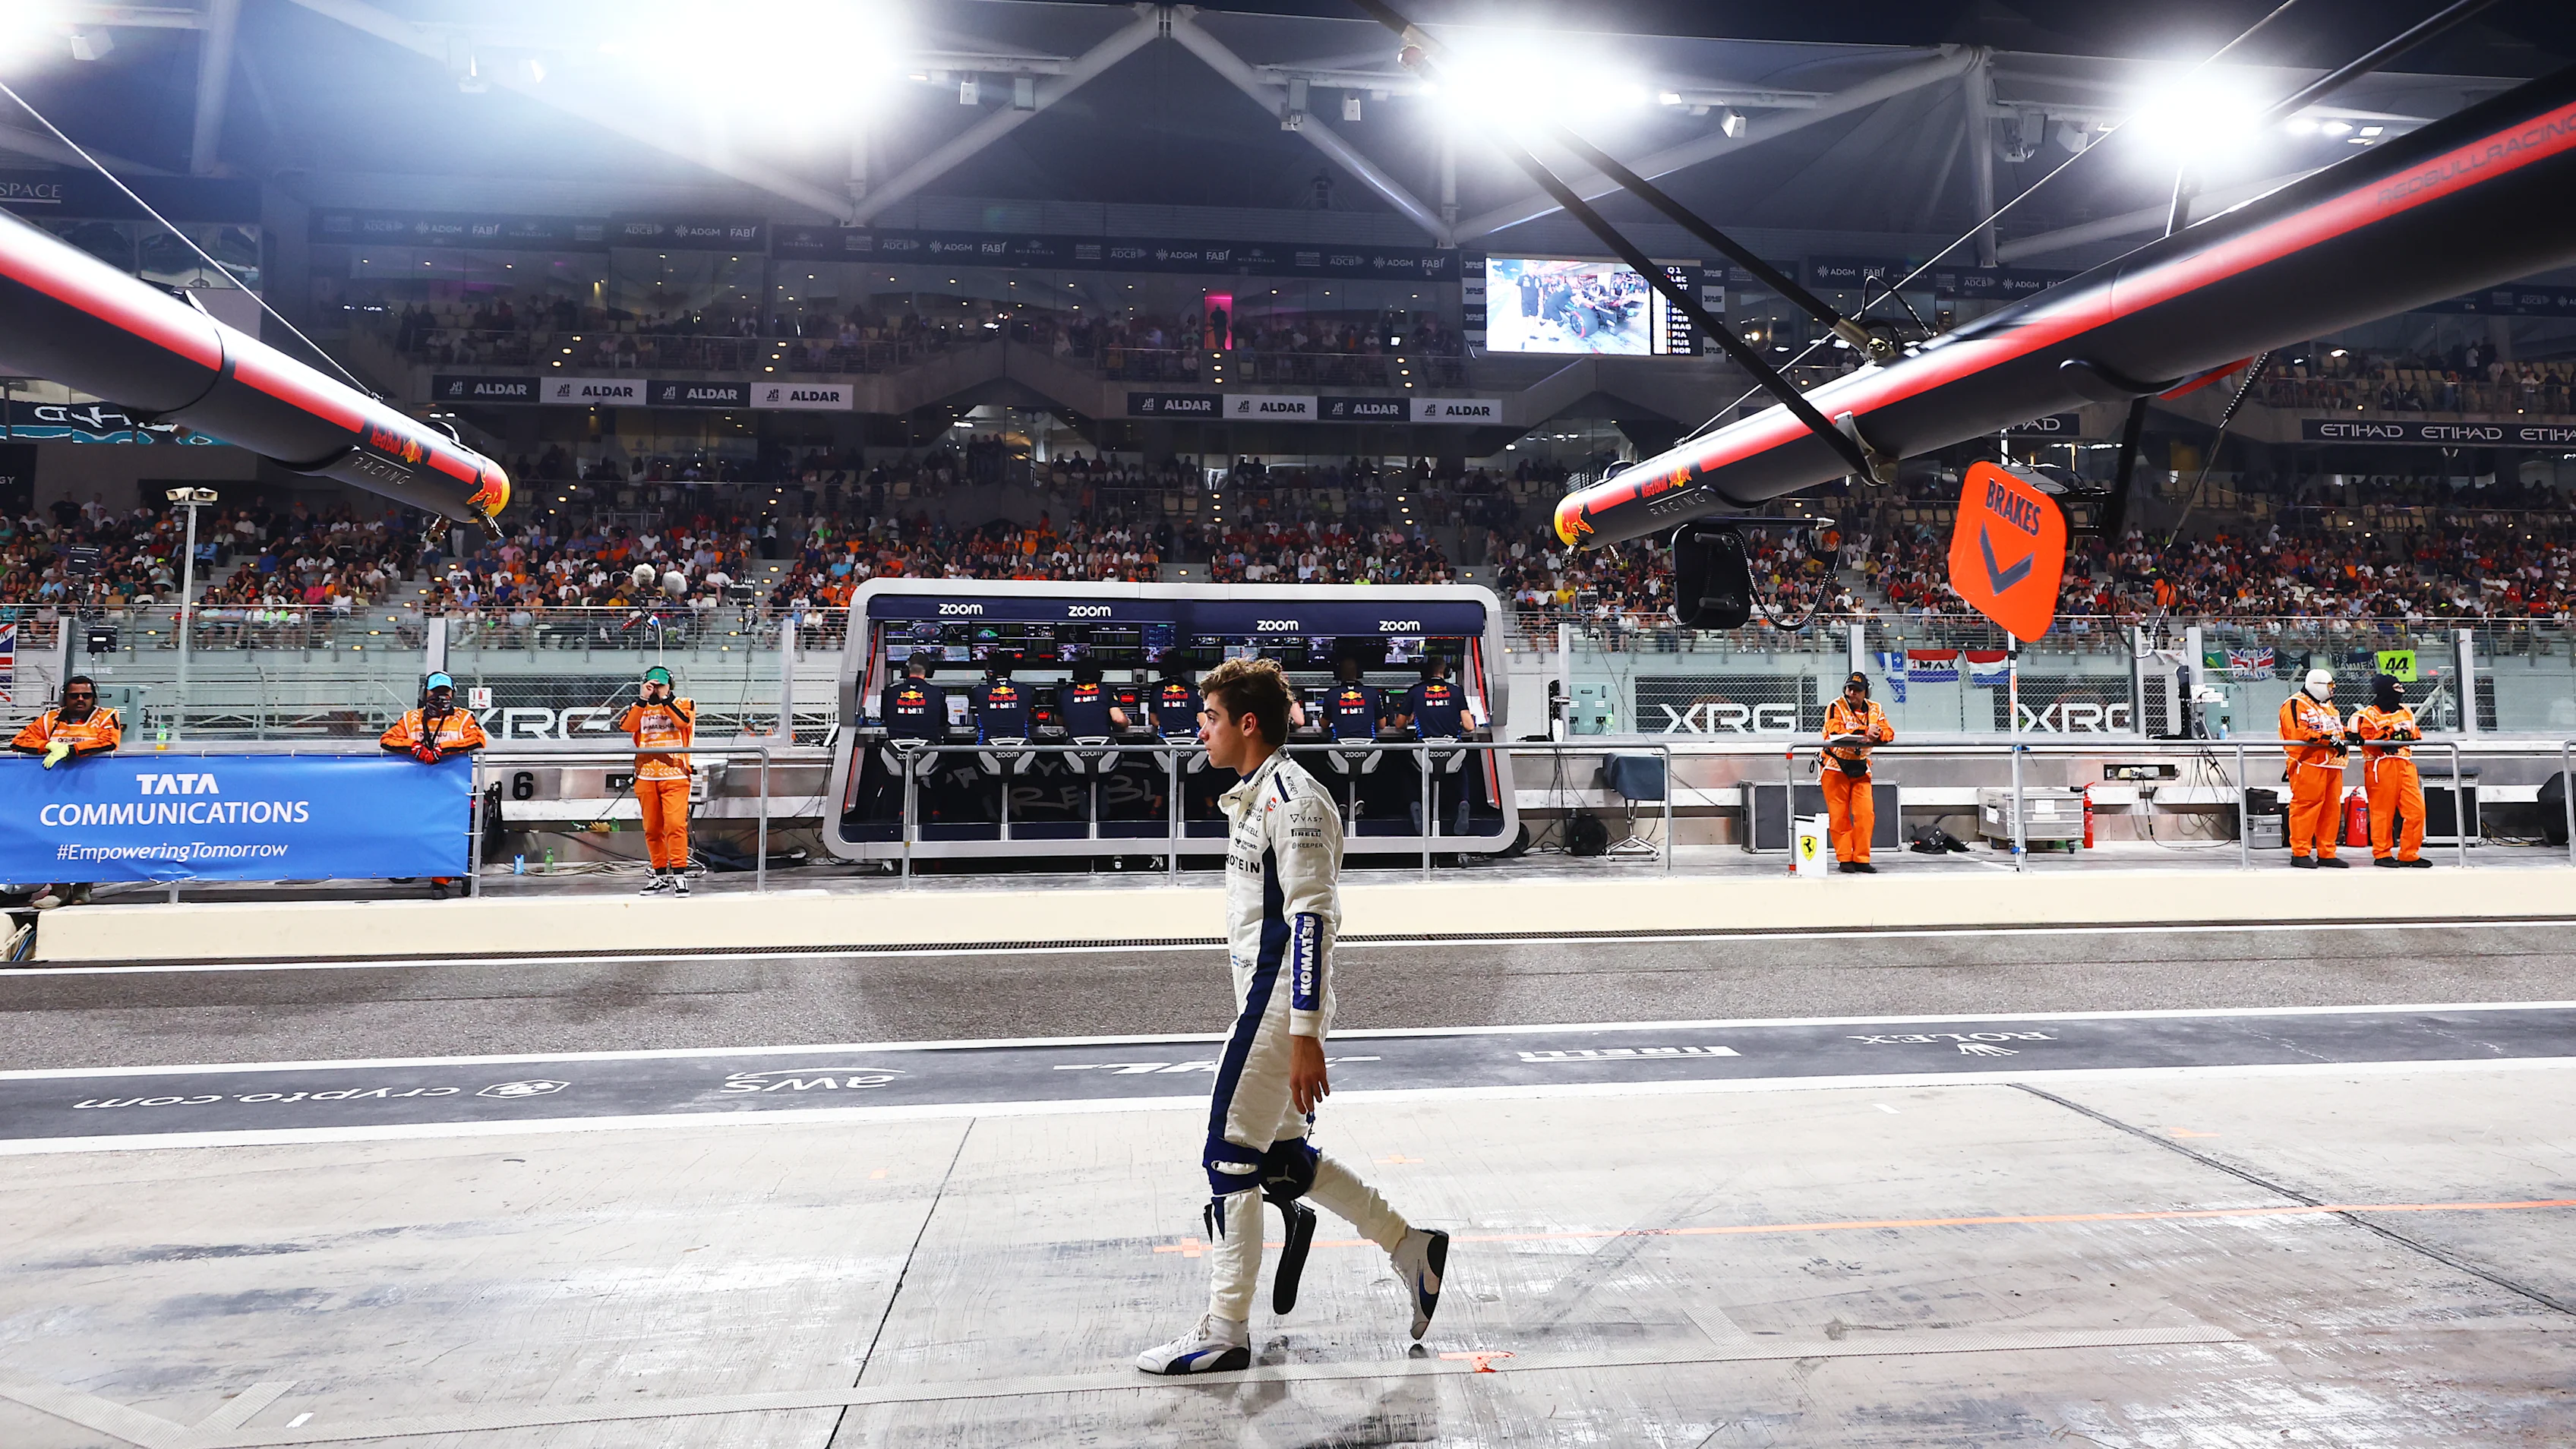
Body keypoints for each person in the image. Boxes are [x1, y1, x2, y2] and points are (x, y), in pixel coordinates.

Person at [1137, 655, 1447, 1376]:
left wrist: (1304, 1035)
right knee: (1280, 1160)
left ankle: (1223, 1330)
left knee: (1227, 1154)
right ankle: (1412, 1247)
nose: (1200, 729)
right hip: (1268, 999)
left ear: (1248, 724)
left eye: (1210, 717)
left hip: (1278, 1004)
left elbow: (1313, 924)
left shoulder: (1297, 801)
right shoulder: (1258, 792)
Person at [13, 674, 121, 909]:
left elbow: (109, 741)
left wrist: (71, 749)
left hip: (92, 790)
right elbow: (20, 741)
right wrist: (47, 745)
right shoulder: (49, 719)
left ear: (94, 697)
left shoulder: (105, 717)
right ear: (65, 697)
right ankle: (59, 889)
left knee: (88, 839)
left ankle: (83, 887)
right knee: (52, 839)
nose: (80, 699)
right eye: (74, 696)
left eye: (86, 695)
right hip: (53, 792)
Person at [380, 671, 489, 898]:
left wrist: (442, 750)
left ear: (453, 693)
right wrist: (416, 747)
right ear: (425, 693)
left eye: (445, 692)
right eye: (435, 692)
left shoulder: (464, 717)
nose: (440, 697)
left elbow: (478, 739)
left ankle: (442, 879)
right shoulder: (411, 718)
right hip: (417, 790)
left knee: (452, 832)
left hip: (454, 791)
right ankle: (425, 872)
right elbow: (387, 739)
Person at [619, 665, 696, 896]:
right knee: (652, 829)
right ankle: (659, 875)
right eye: (652, 685)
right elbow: (627, 726)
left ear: (670, 685)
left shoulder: (685, 703)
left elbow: (682, 723)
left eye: (661, 684)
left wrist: (665, 699)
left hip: (675, 775)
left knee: (675, 825)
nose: (656, 688)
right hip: (646, 776)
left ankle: (680, 875)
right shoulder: (637, 707)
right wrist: (644, 700)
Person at [2352, 673, 2429, 868]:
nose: (2400, 692)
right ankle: (2382, 853)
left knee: (2416, 811)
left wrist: (2404, 735)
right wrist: (2389, 735)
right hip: (2380, 765)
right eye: (2396, 688)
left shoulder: (2407, 711)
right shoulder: (2367, 714)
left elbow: (2415, 733)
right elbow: (2367, 741)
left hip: (2405, 763)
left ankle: (2409, 854)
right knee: (2382, 813)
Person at [1820, 671, 1892, 873]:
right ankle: (1844, 859)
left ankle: (1861, 858)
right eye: (1849, 688)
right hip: (1835, 767)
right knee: (1838, 816)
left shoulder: (1876, 709)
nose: (1852, 693)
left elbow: (1889, 732)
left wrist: (1877, 735)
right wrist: (1864, 732)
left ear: (1865, 692)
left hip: (1861, 767)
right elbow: (1835, 731)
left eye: (1857, 690)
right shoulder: (1835, 706)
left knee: (1865, 814)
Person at [2279, 667, 2350, 868]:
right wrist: (2328, 740)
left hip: (2332, 765)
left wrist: (2348, 735)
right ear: (2317, 685)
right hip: (2308, 764)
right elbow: (2298, 733)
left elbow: (2336, 729)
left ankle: (2327, 851)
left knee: (2331, 809)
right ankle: (2300, 852)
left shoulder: (2328, 706)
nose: (2333, 689)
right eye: (2329, 685)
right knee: (2306, 807)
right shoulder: (2295, 704)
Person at [879, 652, 946, 741]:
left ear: (906, 670)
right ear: (929, 671)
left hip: (895, 750)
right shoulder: (937, 692)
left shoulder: (891, 692)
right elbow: (943, 722)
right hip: (928, 750)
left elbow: (885, 720)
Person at [1322, 655, 1381, 741]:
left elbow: (1324, 725)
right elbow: (1382, 724)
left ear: (1338, 673)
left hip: (1339, 747)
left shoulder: (1331, 694)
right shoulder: (1372, 693)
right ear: (1359, 673)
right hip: (1369, 747)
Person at [971, 657, 1030, 741]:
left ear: (990, 672)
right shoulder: (1026, 690)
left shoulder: (978, 691)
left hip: (987, 745)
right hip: (1021, 743)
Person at [1148, 652, 1199, 738]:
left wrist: (1167, 729)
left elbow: (1153, 718)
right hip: (1191, 738)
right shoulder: (1194, 689)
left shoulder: (1156, 689)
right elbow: (1202, 720)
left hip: (1165, 738)